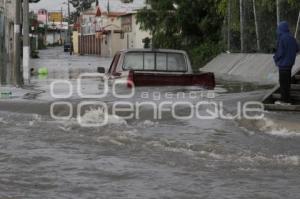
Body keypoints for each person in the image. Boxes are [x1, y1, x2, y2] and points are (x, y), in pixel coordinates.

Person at [273, 21, 299, 105]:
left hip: (283, 65)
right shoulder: (292, 38)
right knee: (287, 83)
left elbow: (280, 52)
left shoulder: (282, 38)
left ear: (281, 29)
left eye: (278, 28)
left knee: (283, 83)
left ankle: (284, 101)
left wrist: (275, 58)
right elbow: (297, 48)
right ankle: (287, 100)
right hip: (290, 65)